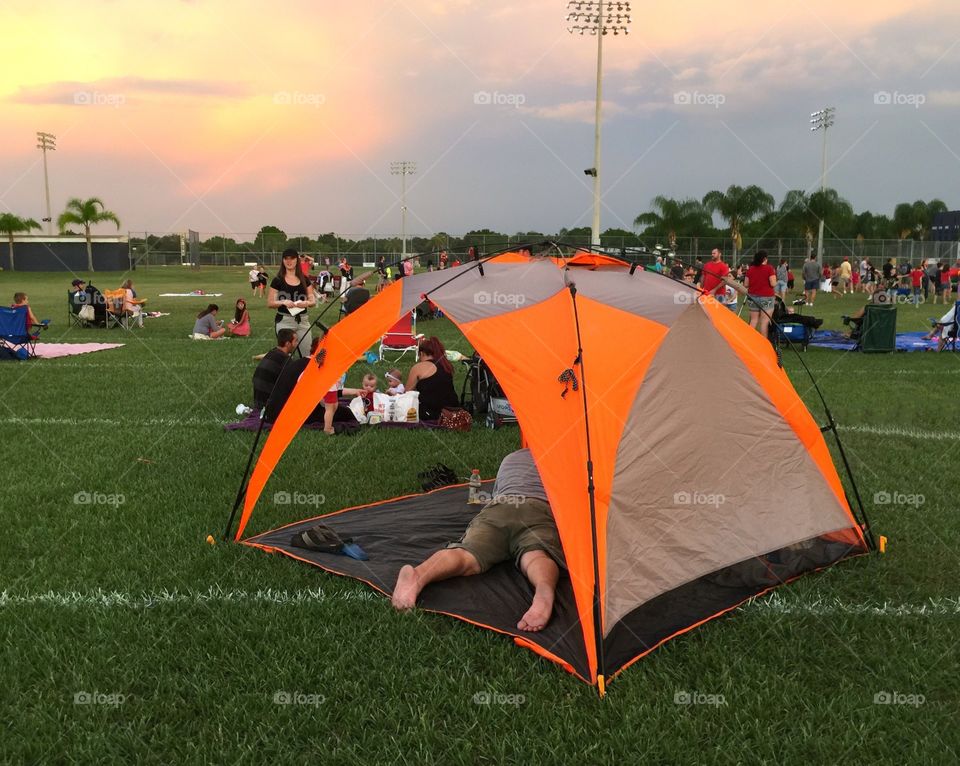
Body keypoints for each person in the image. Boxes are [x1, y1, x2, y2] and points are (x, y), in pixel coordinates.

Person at [392, 448, 563, 632]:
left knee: (467, 554)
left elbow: (496, 493)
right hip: (538, 508)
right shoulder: (560, 460)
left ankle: (418, 575)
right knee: (535, 555)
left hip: (502, 505)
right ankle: (544, 590)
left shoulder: (511, 458)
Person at [268, 248, 316, 357]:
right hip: (284, 321)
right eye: (286, 258)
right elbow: (270, 303)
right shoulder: (278, 280)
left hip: (303, 321)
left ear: (297, 260)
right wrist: (283, 302)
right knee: (284, 356)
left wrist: (306, 303)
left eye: (292, 258)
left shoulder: (305, 279)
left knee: (306, 355)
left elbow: (312, 301)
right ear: (283, 261)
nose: (289, 261)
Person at [406, 336, 458, 421]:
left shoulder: (419, 367)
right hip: (452, 409)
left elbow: (407, 392)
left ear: (422, 353)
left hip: (431, 412)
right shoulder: (445, 365)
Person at [252, 328, 297, 410]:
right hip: (268, 404)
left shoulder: (271, 352)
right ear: (287, 344)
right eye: (295, 341)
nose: (296, 344)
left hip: (258, 400)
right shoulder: (285, 359)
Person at [744, 250, 777, 339]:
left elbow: (746, 284)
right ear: (765, 259)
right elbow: (773, 283)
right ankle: (764, 343)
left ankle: (748, 340)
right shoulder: (769, 268)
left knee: (753, 320)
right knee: (764, 321)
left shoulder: (750, 269)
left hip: (752, 297)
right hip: (767, 297)